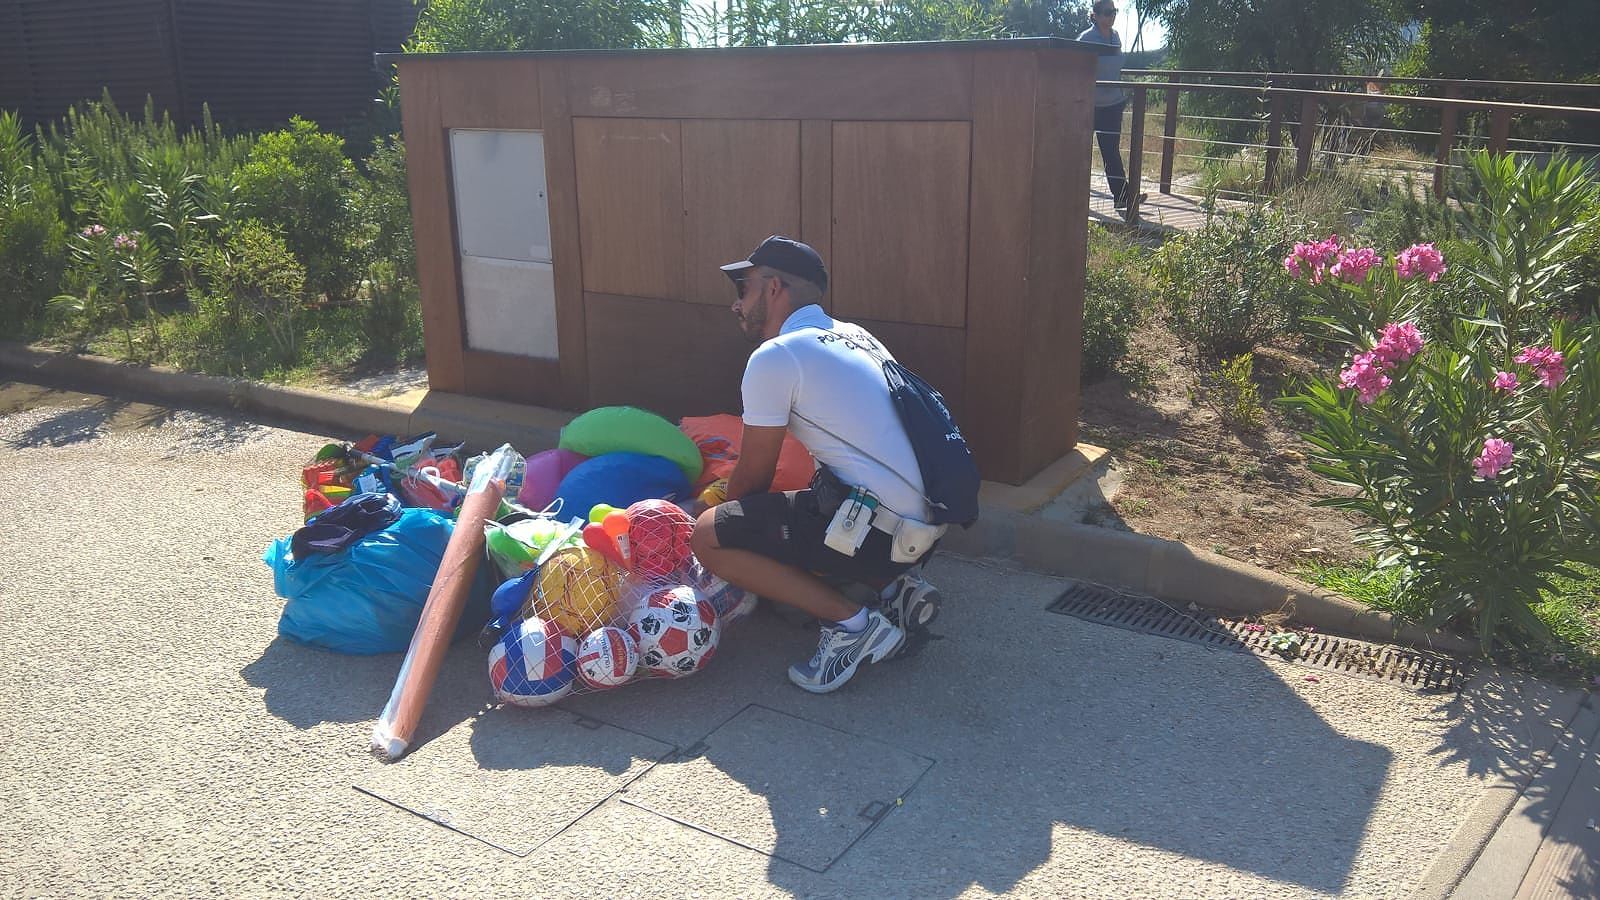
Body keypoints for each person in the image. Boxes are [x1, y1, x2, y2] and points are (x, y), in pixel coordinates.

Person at [690, 235, 944, 694]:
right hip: (921, 527)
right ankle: (892, 589)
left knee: (709, 536)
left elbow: (753, 477)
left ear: (773, 289)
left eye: (741, 289)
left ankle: (854, 626)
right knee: (800, 500)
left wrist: (725, 538)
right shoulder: (854, 336)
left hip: (881, 532)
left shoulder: (776, 357)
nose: (736, 305)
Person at [1079, 1, 1142, 211]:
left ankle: (1122, 196)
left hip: (1113, 104)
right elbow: (1074, 68)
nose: (1111, 16)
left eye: (1114, 12)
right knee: (1080, 151)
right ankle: (1074, 197)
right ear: (1095, 15)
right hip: (1090, 106)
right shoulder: (1087, 39)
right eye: (1106, 13)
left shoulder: (1115, 37)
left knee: (1111, 152)